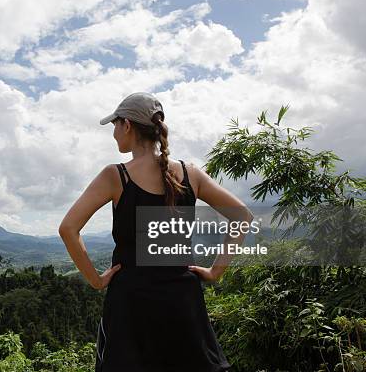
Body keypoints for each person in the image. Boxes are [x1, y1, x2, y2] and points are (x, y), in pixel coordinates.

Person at [58, 92, 253, 372]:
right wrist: (215, 272)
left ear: (127, 125)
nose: (113, 133)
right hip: (183, 304)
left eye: (115, 125)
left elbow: (68, 229)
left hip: (130, 306)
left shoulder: (116, 176)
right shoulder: (190, 173)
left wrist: (97, 281)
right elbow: (242, 216)